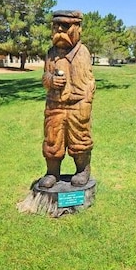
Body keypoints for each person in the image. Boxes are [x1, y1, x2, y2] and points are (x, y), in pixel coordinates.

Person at [39, 10, 95, 188]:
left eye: (66, 26)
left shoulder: (82, 53)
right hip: (54, 104)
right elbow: (45, 77)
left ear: (78, 28)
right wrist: (51, 80)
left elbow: (89, 83)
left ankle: (82, 170)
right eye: (56, 26)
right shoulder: (51, 53)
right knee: (52, 140)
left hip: (77, 106)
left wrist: (84, 104)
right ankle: (52, 172)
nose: (60, 30)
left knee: (79, 140)